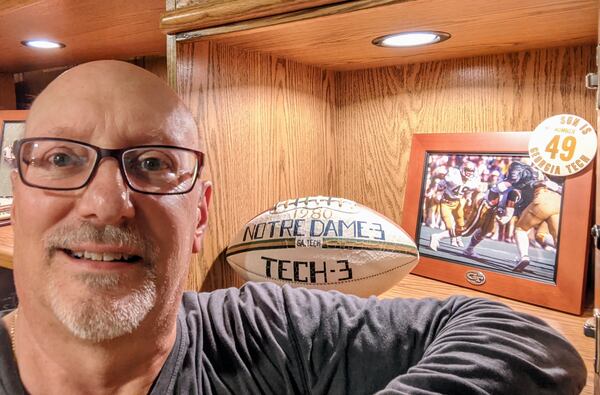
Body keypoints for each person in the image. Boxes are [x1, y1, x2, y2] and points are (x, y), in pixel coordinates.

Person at [0, 61, 586, 394]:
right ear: (17, 197)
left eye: (153, 164)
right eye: (60, 160)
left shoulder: (267, 331)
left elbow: (534, 343)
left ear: (200, 213)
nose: (107, 203)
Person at [429, 160, 481, 251]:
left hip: (458, 203)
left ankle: (456, 238)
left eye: (471, 171)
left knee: (461, 226)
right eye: (468, 170)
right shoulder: (453, 177)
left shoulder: (472, 181)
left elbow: (468, 191)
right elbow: (441, 184)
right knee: (450, 227)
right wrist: (438, 191)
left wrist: (468, 197)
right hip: (446, 203)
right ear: (462, 169)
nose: (469, 173)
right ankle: (436, 238)